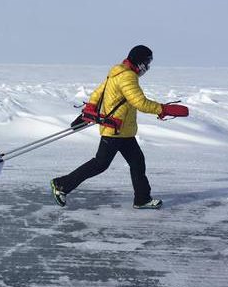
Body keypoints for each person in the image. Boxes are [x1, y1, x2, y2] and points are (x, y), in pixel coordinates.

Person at [50, 45, 188, 209]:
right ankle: (62, 185)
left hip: (123, 131)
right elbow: (140, 102)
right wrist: (163, 109)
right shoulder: (127, 77)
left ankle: (142, 199)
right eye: (147, 62)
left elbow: (97, 93)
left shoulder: (117, 72)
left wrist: (90, 108)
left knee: (137, 162)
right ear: (140, 62)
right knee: (100, 164)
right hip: (114, 130)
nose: (148, 67)